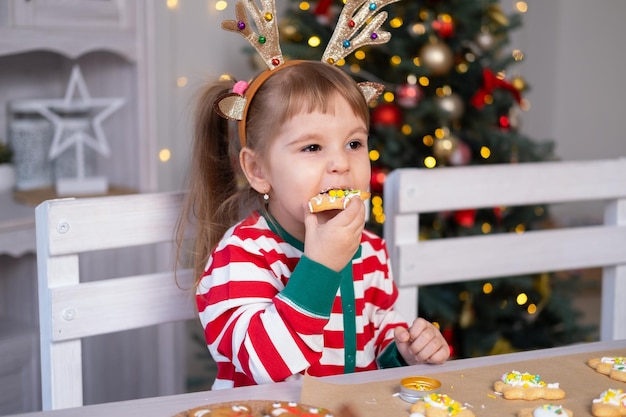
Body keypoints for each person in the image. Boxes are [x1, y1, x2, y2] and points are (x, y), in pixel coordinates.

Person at [177, 59, 450, 390]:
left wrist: (405, 352)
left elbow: (376, 334)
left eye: (354, 143)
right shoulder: (242, 256)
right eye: (312, 147)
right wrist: (321, 266)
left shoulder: (369, 248)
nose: (340, 164)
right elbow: (263, 366)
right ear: (258, 170)